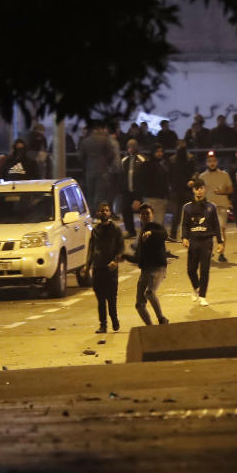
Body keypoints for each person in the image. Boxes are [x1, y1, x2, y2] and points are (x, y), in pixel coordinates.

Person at [123, 204, 170, 325]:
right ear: (139, 216)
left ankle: (161, 319)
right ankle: (150, 327)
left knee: (150, 293)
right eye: (143, 214)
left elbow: (164, 234)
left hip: (158, 269)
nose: (145, 216)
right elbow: (138, 258)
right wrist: (124, 256)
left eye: (147, 213)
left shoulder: (156, 227)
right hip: (145, 271)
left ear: (152, 215)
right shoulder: (142, 232)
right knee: (139, 305)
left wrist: (151, 233)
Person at [181, 178, 224, 306]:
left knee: (205, 270)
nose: (199, 191)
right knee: (191, 270)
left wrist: (220, 242)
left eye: (201, 188)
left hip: (207, 241)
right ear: (193, 190)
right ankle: (196, 288)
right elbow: (185, 225)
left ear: (205, 189)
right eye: (196, 188)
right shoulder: (187, 207)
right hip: (193, 241)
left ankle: (203, 296)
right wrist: (184, 237)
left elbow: (216, 225)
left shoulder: (211, 207)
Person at [87, 202, 124, 333]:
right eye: (102, 210)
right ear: (98, 213)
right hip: (98, 269)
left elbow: (121, 248)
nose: (104, 212)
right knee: (100, 299)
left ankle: (114, 319)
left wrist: (116, 261)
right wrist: (87, 267)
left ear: (110, 213)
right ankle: (103, 325)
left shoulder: (116, 229)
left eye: (107, 210)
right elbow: (91, 249)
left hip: (111, 270)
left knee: (111, 298)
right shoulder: (95, 230)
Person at [199, 150, 233, 261]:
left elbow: (230, 189)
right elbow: (198, 192)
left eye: (214, 161)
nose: (212, 163)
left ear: (217, 162)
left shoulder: (224, 175)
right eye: (209, 161)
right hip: (207, 207)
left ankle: (221, 253)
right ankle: (209, 252)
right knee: (207, 231)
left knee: (221, 229)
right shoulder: (202, 176)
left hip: (222, 206)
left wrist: (222, 192)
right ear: (206, 163)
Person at [78, 122, 116, 213]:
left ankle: (91, 212)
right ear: (99, 129)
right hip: (103, 170)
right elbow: (112, 154)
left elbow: (80, 157)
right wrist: (107, 163)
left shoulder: (85, 141)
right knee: (100, 193)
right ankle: (98, 212)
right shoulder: (105, 140)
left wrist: (87, 164)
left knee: (90, 193)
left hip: (90, 170)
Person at [119, 139, 147, 237]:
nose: (130, 149)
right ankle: (130, 231)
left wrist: (138, 198)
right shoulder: (124, 161)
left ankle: (144, 230)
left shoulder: (142, 160)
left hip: (138, 192)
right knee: (125, 210)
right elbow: (121, 177)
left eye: (132, 147)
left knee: (144, 212)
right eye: (129, 147)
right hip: (127, 191)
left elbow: (144, 180)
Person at [169, 139, 195, 240]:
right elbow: (170, 175)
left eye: (183, 144)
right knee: (176, 214)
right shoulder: (172, 159)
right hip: (176, 190)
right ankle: (173, 234)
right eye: (180, 144)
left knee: (189, 213)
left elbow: (195, 171)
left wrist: (192, 180)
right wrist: (171, 187)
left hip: (187, 189)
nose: (181, 146)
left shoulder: (190, 158)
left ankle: (189, 234)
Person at [143, 143, 171, 226]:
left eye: (161, 151)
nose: (160, 153)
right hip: (150, 198)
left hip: (161, 199)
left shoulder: (163, 165)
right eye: (157, 151)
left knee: (158, 224)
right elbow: (143, 181)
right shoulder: (147, 165)